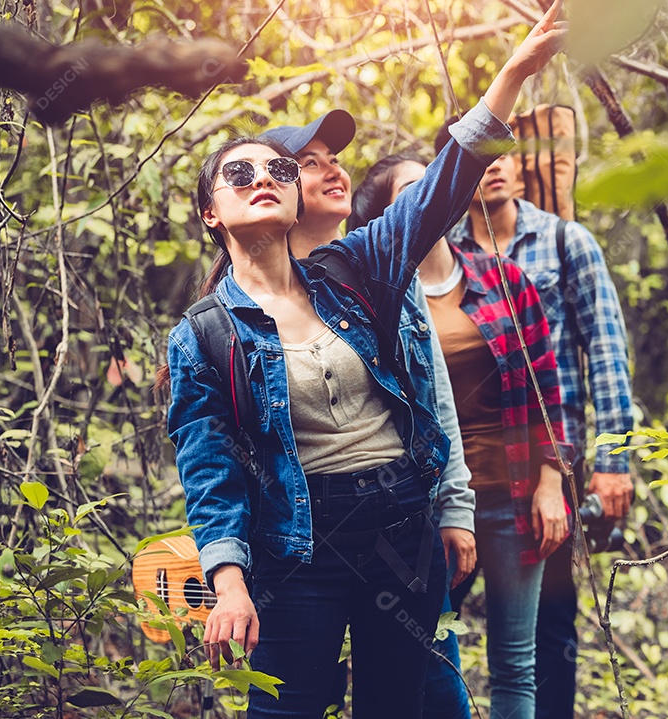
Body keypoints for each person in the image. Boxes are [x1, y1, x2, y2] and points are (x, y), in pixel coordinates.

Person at [163, 7, 566, 716]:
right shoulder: (203, 334)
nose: (266, 175)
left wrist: (511, 75)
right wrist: (228, 579)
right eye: (241, 171)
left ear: (293, 197)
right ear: (211, 213)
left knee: (398, 705)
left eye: (279, 168)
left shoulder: (355, 268)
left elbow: (440, 190)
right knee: (287, 707)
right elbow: (210, 469)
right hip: (296, 550)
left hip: (401, 532)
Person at [260, 97, 474, 719]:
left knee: (426, 688)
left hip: (403, 524)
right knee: (294, 694)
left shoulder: (386, 271)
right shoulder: (241, 305)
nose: (333, 170)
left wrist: (454, 506)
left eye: (335, 159)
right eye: (308, 161)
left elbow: (434, 397)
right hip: (300, 546)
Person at [350, 155, 570, 719]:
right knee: (426, 654)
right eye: (414, 190)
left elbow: (548, 385)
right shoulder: (378, 299)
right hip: (428, 510)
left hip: (513, 497)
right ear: (385, 218)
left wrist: (551, 482)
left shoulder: (503, 277)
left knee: (515, 664)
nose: (435, 194)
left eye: (436, 181)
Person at [436, 128, 635, 719]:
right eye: (477, 161)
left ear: (522, 170)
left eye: (504, 159)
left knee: (546, 628)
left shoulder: (564, 240)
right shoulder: (438, 252)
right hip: (461, 472)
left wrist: (612, 463)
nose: (493, 169)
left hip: (552, 462)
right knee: (433, 620)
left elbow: (605, 351)